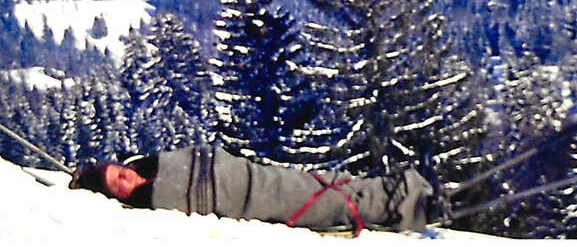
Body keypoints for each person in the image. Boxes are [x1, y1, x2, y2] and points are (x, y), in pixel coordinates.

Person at [69, 145, 433, 235]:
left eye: (123, 171)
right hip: (250, 197)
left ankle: (398, 192)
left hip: (251, 176)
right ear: (116, 197)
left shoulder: (155, 165)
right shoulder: (151, 206)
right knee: (322, 202)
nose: (127, 178)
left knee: (318, 184)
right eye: (119, 182)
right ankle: (404, 204)